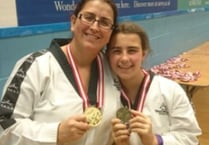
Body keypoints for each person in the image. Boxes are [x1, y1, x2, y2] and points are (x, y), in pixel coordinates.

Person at [0, 0, 121, 145]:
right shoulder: (35, 65)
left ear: (111, 32)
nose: (95, 27)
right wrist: (55, 133)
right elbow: (4, 127)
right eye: (88, 17)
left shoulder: (114, 69)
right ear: (73, 21)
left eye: (105, 22)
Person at [106, 22, 202, 145]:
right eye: (117, 51)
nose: (124, 58)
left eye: (132, 51)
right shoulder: (105, 93)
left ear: (143, 54)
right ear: (108, 55)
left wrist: (154, 141)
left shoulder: (171, 91)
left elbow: (189, 139)